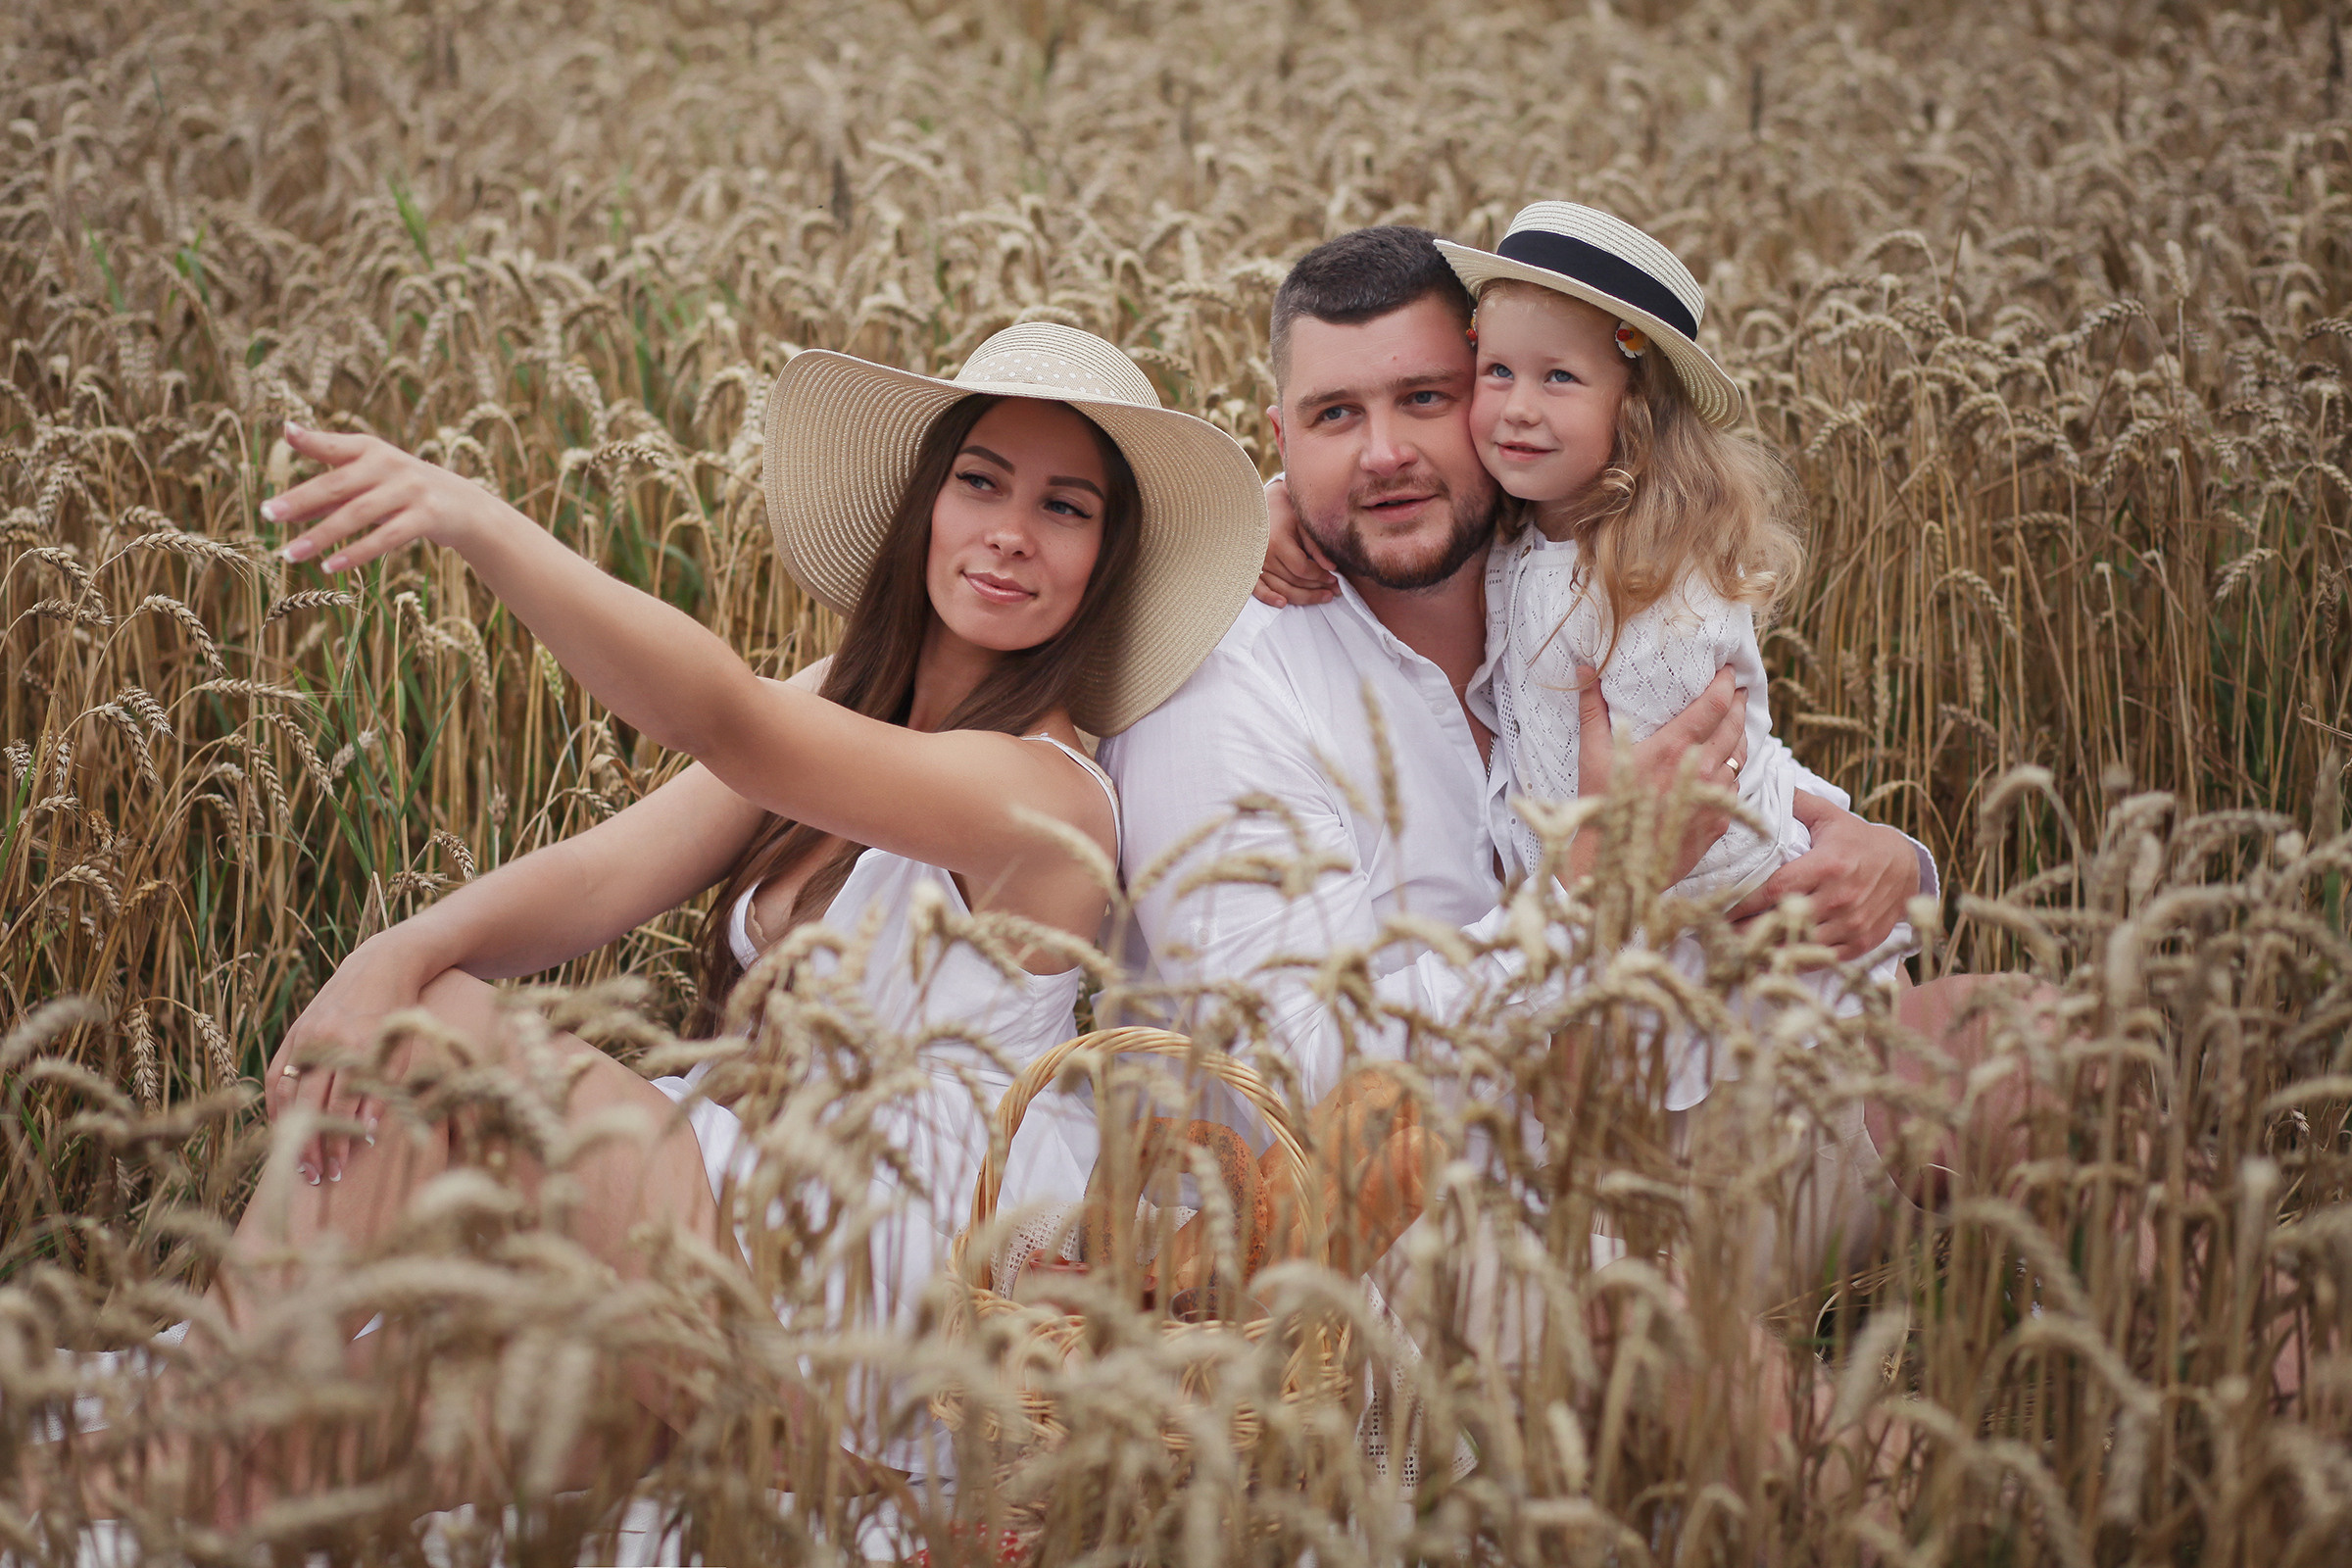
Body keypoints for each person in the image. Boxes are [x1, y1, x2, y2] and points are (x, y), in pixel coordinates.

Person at [241, 322, 1269, 1476]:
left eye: (1066, 508)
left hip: (876, 1277)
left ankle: (235, 1366)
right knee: (319, 1449)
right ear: (926, 504)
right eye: (980, 482)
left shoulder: (1046, 793)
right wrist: (393, 948)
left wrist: (477, 521)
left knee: (445, 1035)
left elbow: (721, 720)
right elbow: (597, 876)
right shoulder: (849, 698)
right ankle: (218, 1402)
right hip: (738, 1204)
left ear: (1103, 564)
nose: (1010, 535)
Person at [1102, 224, 1994, 1314]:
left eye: (1427, 398)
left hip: (1681, 1134)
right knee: (1682, 1347)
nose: (1384, 452)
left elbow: (1731, 761)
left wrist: (1893, 857)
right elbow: (1311, 1077)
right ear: (1276, 437)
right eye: (1338, 416)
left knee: (2037, 1045)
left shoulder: (1566, 579)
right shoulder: (1231, 691)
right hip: (1437, 1242)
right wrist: (1590, 890)